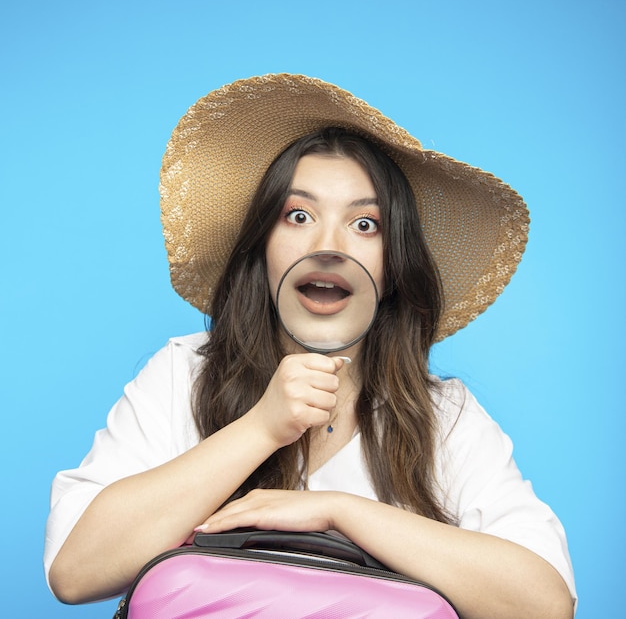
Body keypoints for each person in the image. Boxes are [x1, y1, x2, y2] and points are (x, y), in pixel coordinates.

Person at [44, 74, 576, 618]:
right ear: (263, 248)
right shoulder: (184, 374)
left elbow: (545, 604)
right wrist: (262, 426)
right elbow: (75, 570)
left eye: (365, 224)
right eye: (298, 216)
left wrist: (339, 513)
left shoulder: (444, 418)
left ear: (392, 269)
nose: (328, 246)